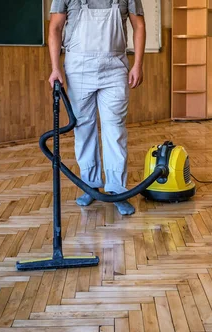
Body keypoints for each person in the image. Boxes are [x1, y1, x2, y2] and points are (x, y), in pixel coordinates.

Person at [48, 0, 146, 215]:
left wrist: (138, 64)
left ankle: (116, 190)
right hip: (78, 67)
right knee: (83, 129)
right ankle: (90, 185)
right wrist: (55, 68)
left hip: (115, 68)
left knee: (115, 130)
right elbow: (55, 27)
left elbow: (139, 25)